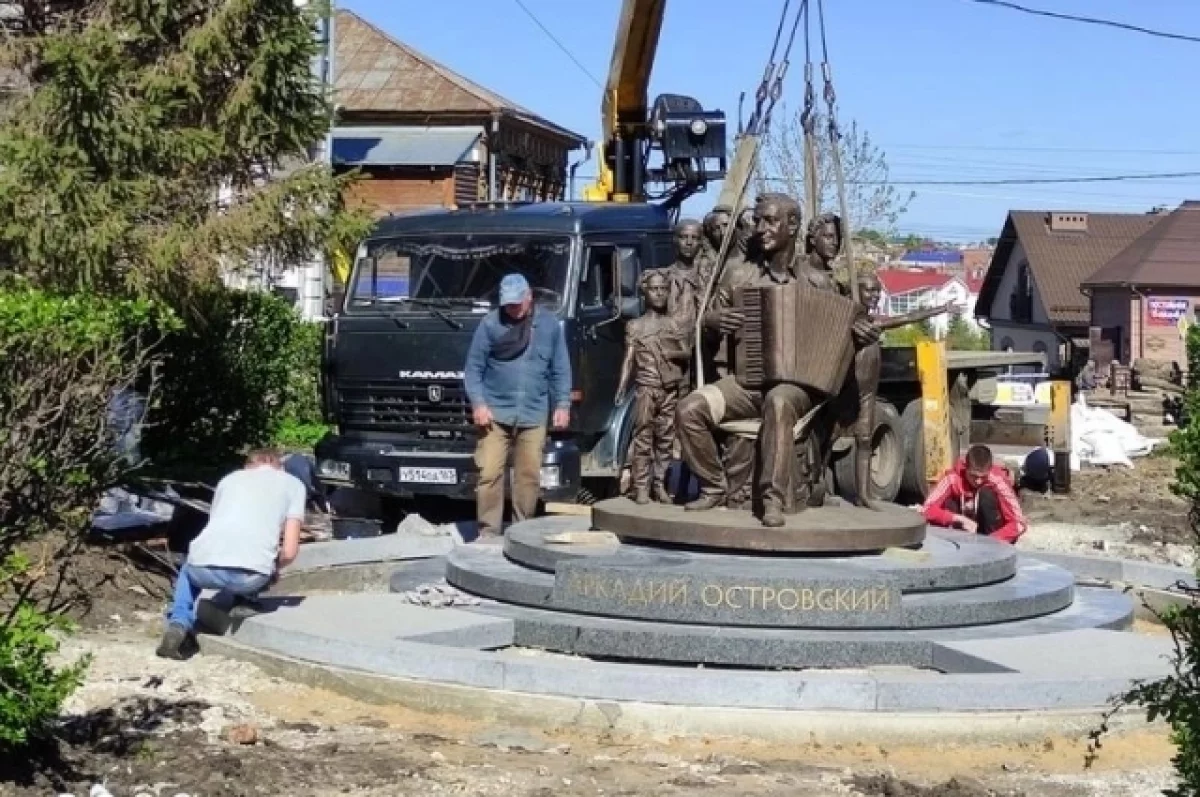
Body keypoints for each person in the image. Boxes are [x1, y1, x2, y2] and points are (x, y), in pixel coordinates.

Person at [156, 449, 306, 660]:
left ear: (247, 466)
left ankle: (179, 622)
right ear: (280, 467)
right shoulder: (293, 485)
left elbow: (217, 527)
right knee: (258, 560)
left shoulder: (228, 480)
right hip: (250, 576)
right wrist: (275, 569)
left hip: (203, 567)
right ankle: (246, 598)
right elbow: (289, 552)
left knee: (188, 572)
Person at [464, 273, 571, 538]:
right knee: (489, 473)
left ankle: (521, 530)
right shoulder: (490, 325)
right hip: (495, 412)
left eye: (516, 303)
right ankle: (488, 531)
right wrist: (478, 404)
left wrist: (562, 404)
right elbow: (473, 369)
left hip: (533, 412)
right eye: (507, 304)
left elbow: (560, 369)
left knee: (528, 476)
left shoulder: (549, 325)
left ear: (529, 297)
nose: (512, 308)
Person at [615, 271, 690, 504]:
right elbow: (629, 359)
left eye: (663, 289)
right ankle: (640, 487)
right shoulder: (635, 326)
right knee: (643, 437)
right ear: (644, 292)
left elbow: (687, 352)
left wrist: (672, 352)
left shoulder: (672, 324)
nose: (659, 293)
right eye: (654, 289)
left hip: (669, 389)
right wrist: (621, 386)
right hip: (646, 388)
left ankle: (660, 485)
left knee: (666, 439)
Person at [923, 444, 1027, 544]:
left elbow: (1019, 524)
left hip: (993, 536)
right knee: (949, 502)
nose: (978, 481)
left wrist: (991, 541)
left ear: (989, 470)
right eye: (974, 476)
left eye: (983, 477)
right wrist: (957, 518)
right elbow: (926, 509)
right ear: (966, 468)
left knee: (986, 496)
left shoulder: (998, 481)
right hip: (962, 530)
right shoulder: (952, 478)